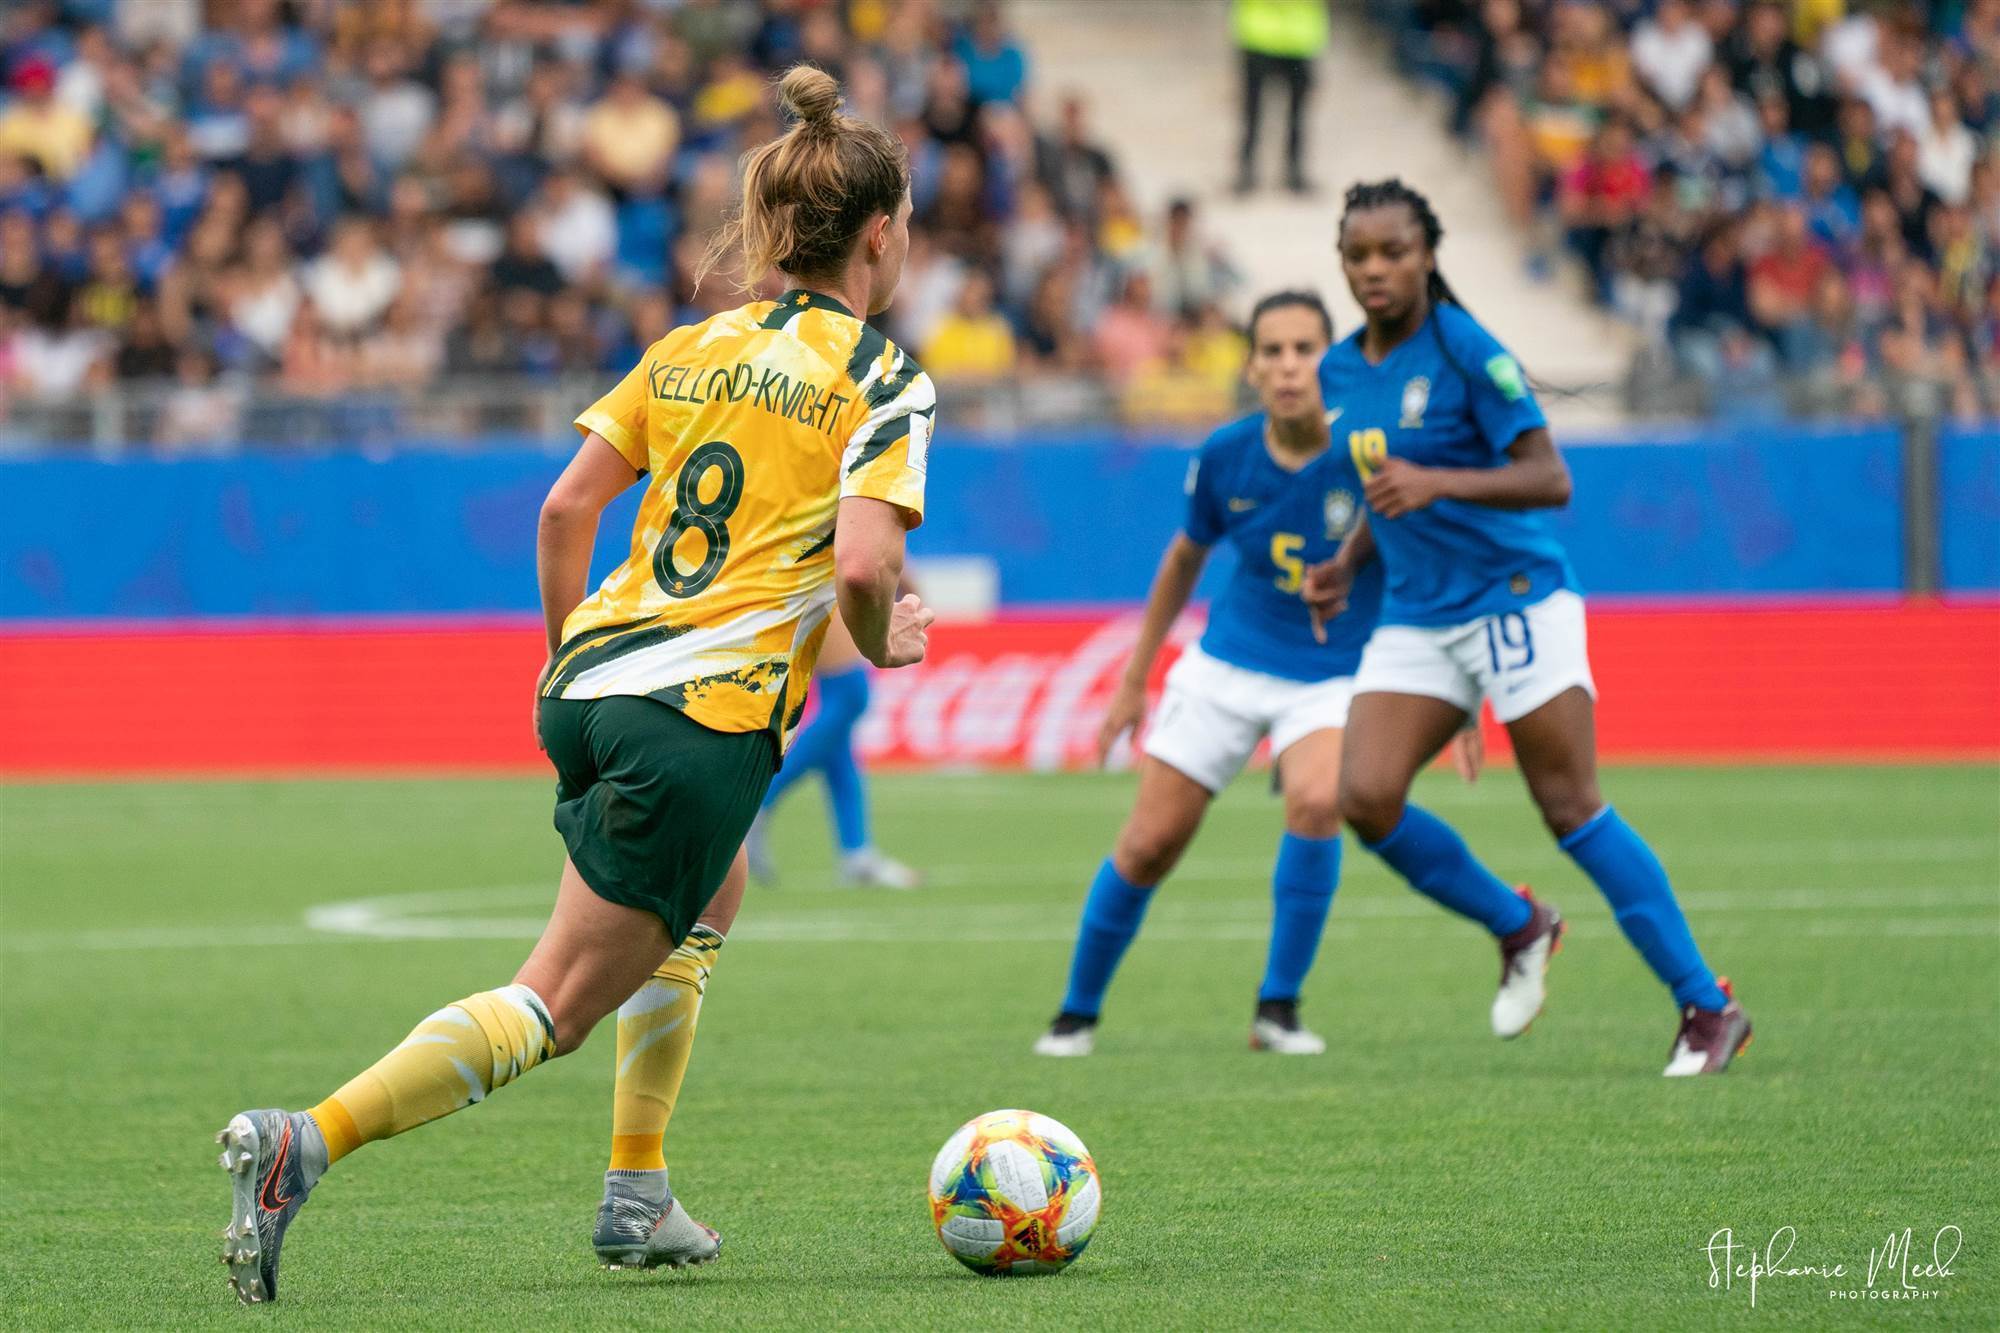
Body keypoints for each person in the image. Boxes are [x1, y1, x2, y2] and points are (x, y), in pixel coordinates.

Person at [214, 67, 939, 1303]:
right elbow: (866, 562)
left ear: (774, 231)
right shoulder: (879, 377)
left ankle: (636, 1190)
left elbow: (565, 507)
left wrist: (570, 658)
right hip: (699, 719)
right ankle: (305, 1143)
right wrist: (883, 639)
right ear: (883, 233)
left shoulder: (689, 346)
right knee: (550, 1003)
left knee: (714, 884)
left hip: (593, 681)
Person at [1305, 179, 1751, 1078]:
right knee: (1366, 796)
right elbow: (1383, 487)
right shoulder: (1340, 370)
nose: (1375, 269)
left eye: (1393, 251)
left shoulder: (1469, 350)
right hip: (1419, 612)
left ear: (1428, 254)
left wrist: (1439, 483)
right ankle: (1522, 923)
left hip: (1513, 596)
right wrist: (1349, 563)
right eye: (1358, 255)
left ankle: (1708, 1004)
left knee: (1568, 804)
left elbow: (1550, 478)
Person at [1033, 291, 1482, 1059]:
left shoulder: (1373, 451)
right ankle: (1075, 1014)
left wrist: (1457, 692)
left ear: (1330, 360)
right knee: (1149, 843)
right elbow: (1183, 559)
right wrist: (1135, 677)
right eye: (1271, 350)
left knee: (1316, 799)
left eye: (1304, 348)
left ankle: (1278, 1008)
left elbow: (1429, 560)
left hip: (1336, 673)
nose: (1287, 366)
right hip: (1229, 663)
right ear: (1250, 365)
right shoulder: (1225, 455)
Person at [745, 609, 924, 889]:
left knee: (839, 722)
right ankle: (756, 806)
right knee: (849, 694)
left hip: (808, 573)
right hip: (812, 572)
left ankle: (857, 851)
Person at [1232, 0, 1328, 195]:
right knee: (1253, 112)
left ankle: (1294, 170)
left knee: (1297, 114)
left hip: (1298, 36)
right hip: (1259, 34)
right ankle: (1247, 169)